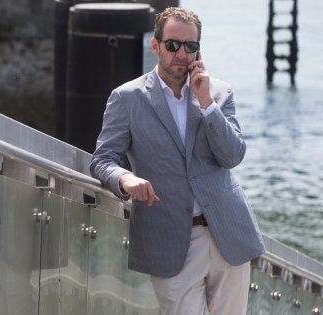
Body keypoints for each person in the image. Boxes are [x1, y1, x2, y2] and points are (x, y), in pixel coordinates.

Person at [90, 7, 265, 315]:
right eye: (172, 45)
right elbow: (103, 159)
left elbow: (233, 155)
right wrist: (125, 179)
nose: (181, 53)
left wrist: (206, 103)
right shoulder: (126, 98)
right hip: (169, 242)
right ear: (155, 45)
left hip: (228, 234)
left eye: (190, 46)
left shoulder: (219, 93)